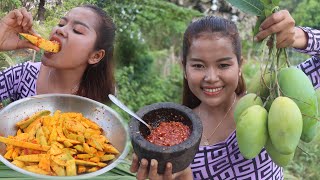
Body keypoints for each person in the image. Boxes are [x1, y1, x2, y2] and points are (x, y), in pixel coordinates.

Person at [130, 10, 320, 180]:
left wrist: (297, 36)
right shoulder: (180, 137)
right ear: (184, 69)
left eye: (223, 65)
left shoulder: (268, 105)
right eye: (198, 65)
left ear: (240, 66)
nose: (211, 77)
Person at [0, 5, 116, 103]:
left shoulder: (103, 97)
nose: (60, 30)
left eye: (77, 30)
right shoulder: (23, 74)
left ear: (95, 56)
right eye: (61, 24)